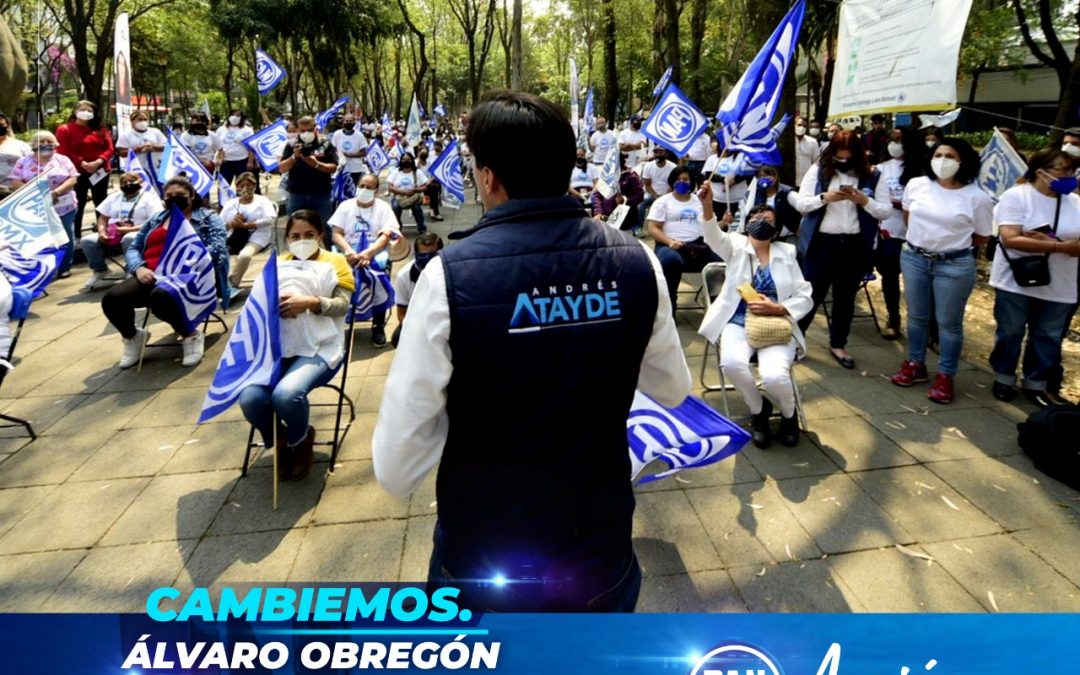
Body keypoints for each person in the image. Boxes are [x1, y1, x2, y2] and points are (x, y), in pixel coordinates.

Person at [372, 91, 691, 613]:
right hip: (599, 551)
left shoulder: (446, 278)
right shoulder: (638, 262)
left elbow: (396, 468)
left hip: (484, 561)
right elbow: (674, 390)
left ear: (487, 177)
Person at [240, 210, 355, 481]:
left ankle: (300, 440)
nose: (301, 240)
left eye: (308, 235)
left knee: (285, 395)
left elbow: (342, 306)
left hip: (319, 347)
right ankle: (280, 441)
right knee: (250, 399)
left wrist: (311, 303)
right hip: (277, 348)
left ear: (320, 236)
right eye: (294, 236)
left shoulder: (335, 262)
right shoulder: (277, 264)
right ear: (287, 239)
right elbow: (255, 306)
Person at [700, 201, 813, 448]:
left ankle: (788, 414)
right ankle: (759, 410)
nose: (761, 222)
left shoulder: (788, 253)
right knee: (731, 363)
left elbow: (805, 295)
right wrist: (707, 204)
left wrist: (780, 308)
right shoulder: (734, 245)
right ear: (747, 224)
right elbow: (711, 233)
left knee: (774, 377)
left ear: (776, 231)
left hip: (775, 323)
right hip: (738, 321)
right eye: (756, 218)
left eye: (768, 220)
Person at [888, 138, 992, 403]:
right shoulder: (917, 185)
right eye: (938, 154)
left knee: (948, 323)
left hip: (954, 264)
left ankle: (946, 375)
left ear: (964, 161)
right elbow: (909, 217)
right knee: (917, 317)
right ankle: (915, 363)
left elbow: (981, 237)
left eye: (950, 155)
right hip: (915, 258)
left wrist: (948, 245)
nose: (942, 160)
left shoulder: (977, 198)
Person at [101, 176, 227, 368]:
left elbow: (218, 249)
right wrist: (139, 268)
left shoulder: (208, 218)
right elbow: (135, 247)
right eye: (169, 196)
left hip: (189, 276)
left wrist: (183, 264)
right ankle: (133, 337)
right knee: (112, 299)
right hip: (151, 273)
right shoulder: (157, 219)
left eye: (180, 195)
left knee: (161, 296)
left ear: (191, 196)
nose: (174, 199)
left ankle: (190, 335)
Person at [987, 149, 1080, 407]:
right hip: (1016, 280)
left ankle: (1035, 384)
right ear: (1041, 171)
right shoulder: (1017, 196)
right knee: (1010, 331)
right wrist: (1063, 247)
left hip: (1061, 283)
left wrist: (1049, 242)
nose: (1069, 175)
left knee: (1048, 335)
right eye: (1062, 169)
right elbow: (1011, 238)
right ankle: (1004, 378)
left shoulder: (1076, 203)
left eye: (1072, 170)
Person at [794, 131, 892, 369]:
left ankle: (838, 343)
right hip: (822, 243)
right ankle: (795, 341)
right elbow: (801, 203)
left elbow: (886, 211)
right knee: (811, 294)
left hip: (854, 244)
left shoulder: (874, 175)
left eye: (848, 159)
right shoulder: (819, 170)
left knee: (845, 298)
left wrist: (864, 201)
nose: (843, 163)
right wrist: (824, 197)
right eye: (839, 158)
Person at [328, 173, 401, 347]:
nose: (364, 190)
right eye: (362, 186)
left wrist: (368, 253)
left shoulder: (383, 207)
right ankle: (337, 324)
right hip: (348, 251)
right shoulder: (345, 206)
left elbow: (386, 234)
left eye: (369, 187)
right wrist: (348, 251)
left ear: (376, 190)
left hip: (374, 252)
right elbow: (336, 233)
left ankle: (377, 324)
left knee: (377, 276)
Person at [647, 165, 724, 309]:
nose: (682, 182)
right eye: (678, 179)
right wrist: (670, 242)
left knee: (721, 262)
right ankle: (670, 304)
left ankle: (717, 304)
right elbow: (652, 227)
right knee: (671, 261)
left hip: (698, 245)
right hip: (670, 245)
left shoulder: (698, 200)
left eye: (685, 179)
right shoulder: (663, 201)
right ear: (672, 182)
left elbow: (710, 223)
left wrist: (711, 206)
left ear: (691, 182)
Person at [874, 125, 925, 339]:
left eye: (900, 140)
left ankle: (925, 325)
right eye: (892, 139)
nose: (895, 144)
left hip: (918, 235)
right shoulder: (880, 169)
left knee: (919, 284)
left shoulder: (923, 169)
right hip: (889, 232)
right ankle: (893, 318)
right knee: (890, 278)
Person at [9, 132, 79, 276]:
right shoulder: (23, 161)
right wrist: (34, 193)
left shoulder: (62, 159)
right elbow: (15, 180)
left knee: (65, 235)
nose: (46, 143)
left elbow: (73, 178)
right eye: (42, 141)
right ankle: (46, 270)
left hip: (64, 204)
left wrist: (55, 193)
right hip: (35, 206)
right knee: (43, 238)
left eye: (49, 141)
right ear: (34, 144)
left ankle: (64, 267)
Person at [81, 172, 163, 291]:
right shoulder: (115, 197)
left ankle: (132, 268)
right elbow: (103, 217)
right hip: (114, 232)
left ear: (139, 181)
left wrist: (130, 229)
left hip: (140, 232)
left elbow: (154, 222)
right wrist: (102, 231)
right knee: (87, 240)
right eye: (124, 182)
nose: (128, 184)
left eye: (131, 181)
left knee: (129, 238)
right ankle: (100, 270)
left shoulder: (149, 198)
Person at [55, 100, 114, 238]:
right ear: (75, 111)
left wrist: (99, 161)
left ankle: (104, 232)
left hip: (100, 171)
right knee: (78, 203)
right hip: (77, 173)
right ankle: (75, 236)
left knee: (101, 202)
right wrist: (83, 163)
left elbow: (110, 149)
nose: (86, 113)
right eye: (83, 109)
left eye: (90, 111)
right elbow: (63, 150)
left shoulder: (101, 130)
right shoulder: (65, 129)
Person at [278, 115, 339, 229]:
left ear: (315, 128)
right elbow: (282, 168)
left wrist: (316, 164)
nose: (306, 133)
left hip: (321, 194)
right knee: (295, 227)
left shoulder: (325, 143)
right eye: (303, 130)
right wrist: (294, 157)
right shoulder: (292, 144)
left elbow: (333, 167)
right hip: (297, 194)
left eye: (310, 130)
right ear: (298, 130)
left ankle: (328, 247)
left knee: (325, 227)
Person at [223, 172, 278, 289]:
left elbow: (270, 218)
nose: (245, 189)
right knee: (217, 255)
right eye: (241, 186)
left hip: (257, 236)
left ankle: (233, 283)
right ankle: (219, 283)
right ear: (236, 187)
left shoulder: (262, 201)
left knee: (244, 256)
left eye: (248, 185)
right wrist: (232, 224)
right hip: (233, 237)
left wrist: (247, 225)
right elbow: (219, 224)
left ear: (254, 186)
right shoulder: (231, 203)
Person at [391, 232, 443, 347]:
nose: (427, 260)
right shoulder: (404, 276)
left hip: (441, 319)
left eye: (432, 255)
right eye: (423, 255)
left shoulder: (447, 272)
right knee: (398, 338)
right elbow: (401, 312)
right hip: (416, 320)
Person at [738, 165, 800, 243]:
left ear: (775, 177)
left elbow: (802, 206)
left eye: (766, 176)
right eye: (759, 177)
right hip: (766, 237)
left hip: (787, 235)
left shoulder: (787, 193)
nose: (763, 179)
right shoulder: (755, 194)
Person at [591, 152, 645, 231]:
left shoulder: (630, 176)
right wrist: (599, 212)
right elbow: (597, 195)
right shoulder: (605, 176)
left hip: (625, 218)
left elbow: (639, 196)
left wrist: (624, 199)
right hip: (605, 217)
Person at [387, 152, 428, 233]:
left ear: (412, 160)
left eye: (408, 159)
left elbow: (425, 187)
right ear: (401, 160)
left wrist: (416, 190)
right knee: (395, 207)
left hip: (413, 197)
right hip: (398, 196)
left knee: (417, 208)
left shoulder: (417, 172)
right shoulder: (396, 171)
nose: (406, 161)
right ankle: (397, 225)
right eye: (404, 159)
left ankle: (421, 227)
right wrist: (402, 192)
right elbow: (390, 187)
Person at [116, 109, 166, 176]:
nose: (143, 121)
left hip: (155, 169)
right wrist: (135, 150)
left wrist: (154, 147)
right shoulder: (126, 135)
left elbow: (167, 147)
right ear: (132, 121)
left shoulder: (155, 132)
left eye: (145, 119)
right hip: (136, 170)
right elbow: (121, 153)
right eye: (140, 119)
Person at [215, 110, 256, 185]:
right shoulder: (221, 129)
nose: (234, 117)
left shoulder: (247, 130)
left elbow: (251, 146)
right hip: (226, 162)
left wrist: (250, 161)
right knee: (223, 185)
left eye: (237, 115)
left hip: (242, 161)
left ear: (241, 118)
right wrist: (219, 158)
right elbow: (217, 145)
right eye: (233, 115)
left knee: (243, 184)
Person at [639, 146, 676, 226]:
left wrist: (664, 197)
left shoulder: (673, 167)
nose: (658, 155)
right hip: (651, 194)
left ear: (666, 154)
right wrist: (656, 196)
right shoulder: (648, 167)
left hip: (668, 194)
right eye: (656, 152)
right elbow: (647, 185)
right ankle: (639, 226)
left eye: (660, 152)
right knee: (641, 204)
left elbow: (673, 185)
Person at [0, 112, 31, 198]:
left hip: (18, 193)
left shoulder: (21, 145)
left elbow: (33, 165)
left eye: (1, 124)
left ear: (8, 126)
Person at [332, 113, 368, 186]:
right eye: (346, 120)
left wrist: (349, 155)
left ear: (354, 122)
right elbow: (333, 149)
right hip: (340, 169)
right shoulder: (337, 134)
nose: (348, 122)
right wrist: (340, 156)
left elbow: (364, 152)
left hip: (355, 169)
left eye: (351, 121)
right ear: (343, 122)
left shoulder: (359, 135)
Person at [794, 115, 821, 185]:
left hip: (806, 181)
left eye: (804, 126)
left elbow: (817, 161)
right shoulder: (788, 141)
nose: (802, 128)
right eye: (799, 125)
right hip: (791, 181)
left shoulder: (812, 142)